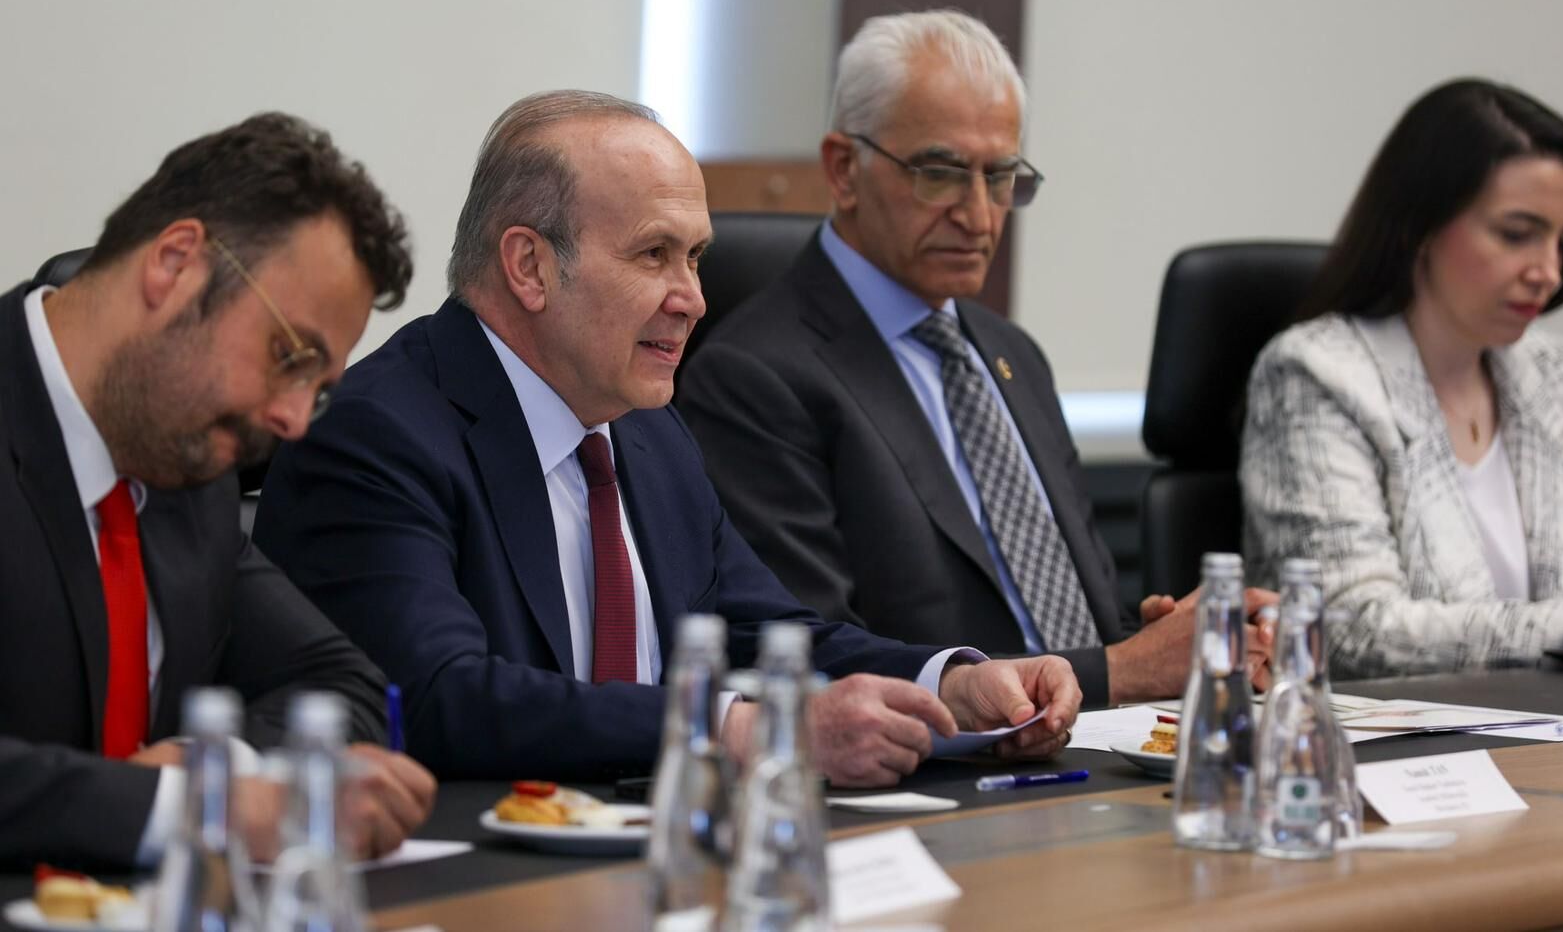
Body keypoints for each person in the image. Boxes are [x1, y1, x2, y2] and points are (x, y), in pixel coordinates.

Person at [252, 90, 1082, 788]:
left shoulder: (649, 432)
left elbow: (773, 631)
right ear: (529, 266)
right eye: (655, 254)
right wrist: (741, 729)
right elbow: (440, 700)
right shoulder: (377, 434)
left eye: (696, 258)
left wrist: (951, 684)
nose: (693, 298)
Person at [676, 9, 1268, 708]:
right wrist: (1120, 669)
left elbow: (1072, 622)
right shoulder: (753, 377)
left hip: (1096, 744)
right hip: (941, 765)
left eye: (1001, 177)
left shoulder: (1014, 356)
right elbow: (812, 660)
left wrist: (1155, 640)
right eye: (941, 173)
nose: (980, 216)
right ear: (843, 169)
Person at [0, 113, 437, 870]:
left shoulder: (189, 467)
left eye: (319, 390)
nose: (294, 419)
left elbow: (345, 689)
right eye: (290, 355)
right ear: (175, 265)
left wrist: (214, 763)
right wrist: (195, 807)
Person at [1241, 78, 1563, 677]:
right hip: (1396, 732)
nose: (1549, 272)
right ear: (1421, 223)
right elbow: (1349, 629)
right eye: (1517, 234)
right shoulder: (1318, 374)